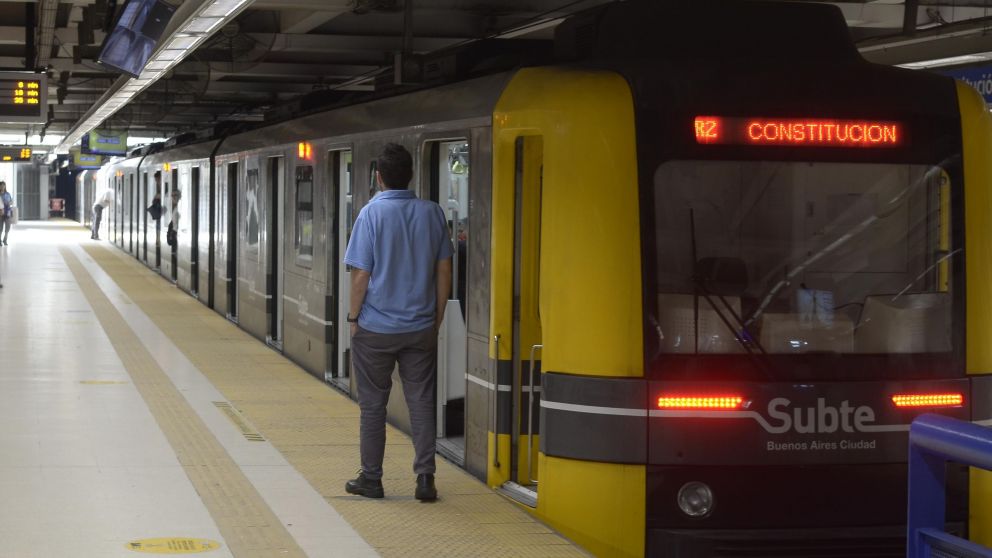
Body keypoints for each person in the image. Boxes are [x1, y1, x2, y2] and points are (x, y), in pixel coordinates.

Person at [343, 143, 452, 501]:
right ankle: (425, 479)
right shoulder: (433, 213)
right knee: (421, 400)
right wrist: (436, 317)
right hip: (420, 327)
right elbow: (444, 269)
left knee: (373, 405)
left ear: (378, 177)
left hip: (375, 329)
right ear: (412, 175)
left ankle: (371, 479)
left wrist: (353, 318)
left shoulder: (370, 215)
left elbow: (361, 274)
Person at [0, 181, 12, 246]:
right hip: (0, 213)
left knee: (8, 227)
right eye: (1, 185)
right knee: (0, 228)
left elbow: (11, 201)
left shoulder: (8, 194)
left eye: (3, 185)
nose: (2, 187)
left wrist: (10, 203)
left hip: (7, 212)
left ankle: (5, 239)